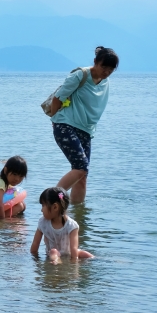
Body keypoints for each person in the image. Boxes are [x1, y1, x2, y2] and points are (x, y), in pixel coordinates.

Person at [48, 46, 119, 204]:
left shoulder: (105, 81)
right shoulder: (81, 75)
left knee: (82, 175)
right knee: (80, 167)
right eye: (103, 67)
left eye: (111, 69)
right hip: (65, 125)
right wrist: (55, 121)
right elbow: (57, 98)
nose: (106, 72)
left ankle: (78, 215)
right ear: (95, 62)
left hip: (86, 130)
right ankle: (51, 201)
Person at [30, 187, 94, 263]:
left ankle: (102, 259)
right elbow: (35, 244)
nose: (41, 210)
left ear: (55, 207)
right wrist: (35, 260)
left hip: (68, 253)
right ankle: (56, 260)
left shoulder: (72, 225)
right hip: (52, 254)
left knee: (85, 254)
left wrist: (74, 267)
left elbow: (73, 248)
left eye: (43, 205)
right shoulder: (43, 222)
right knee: (54, 251)